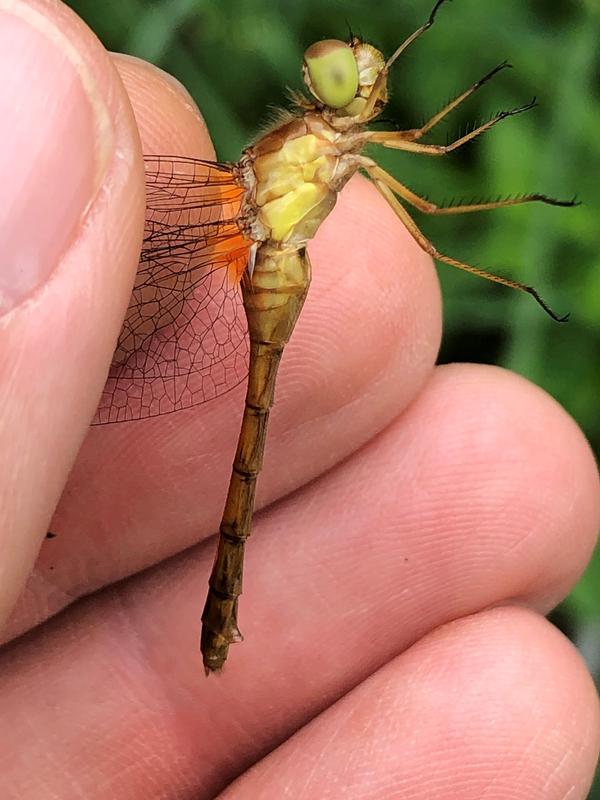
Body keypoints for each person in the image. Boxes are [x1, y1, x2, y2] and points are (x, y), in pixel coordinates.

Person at [1, 1, 598, 797]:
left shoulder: (343, 142)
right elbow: (434, 184)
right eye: (350, 69)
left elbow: (435, 161)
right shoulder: (316, 147)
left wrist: (480, 111)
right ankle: (221, 611)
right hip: (267, 261)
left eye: (368, 68)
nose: (363, 75)